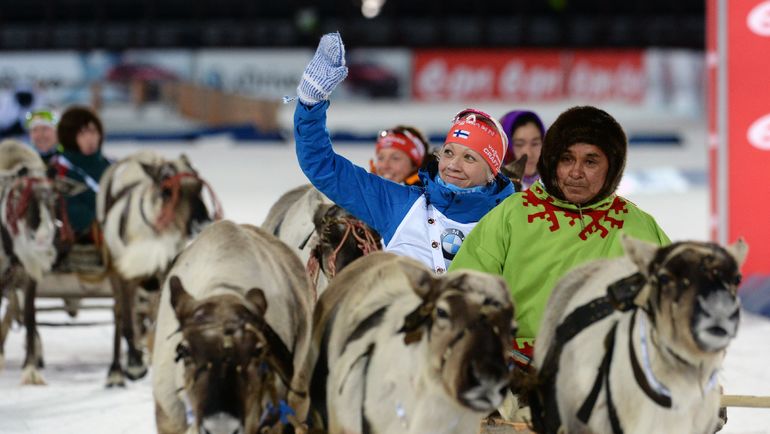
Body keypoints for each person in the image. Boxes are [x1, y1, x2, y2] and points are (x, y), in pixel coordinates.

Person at [449, 105, 670, 363]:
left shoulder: (639, 227)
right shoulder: (511, 214)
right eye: (566, 159)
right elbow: (462, 294)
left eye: (590, 161)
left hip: (608, 370)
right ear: (552, 161)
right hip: (513, 370)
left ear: (613, 166)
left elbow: (672, 308)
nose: (576, 172)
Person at [293, 32, 515, 274]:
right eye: (449, 152)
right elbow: (323, 167)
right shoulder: (399, 204)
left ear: (492, 172)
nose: (453, 165)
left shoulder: (511, 220)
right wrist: (310, 104)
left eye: (469, 157)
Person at [51, 106, 111, 243]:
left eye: (93, 132)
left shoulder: (111, 166)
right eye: (82, 133)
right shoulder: (59, 169)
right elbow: (72, 211)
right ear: (70, 136)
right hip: (78, 244)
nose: (90, 138)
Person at [499, 110, 546, 190]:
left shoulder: (558, 185)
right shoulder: (494, 190)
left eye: (535, 144)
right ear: (506, 148)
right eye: (519, 145)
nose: (528, 153)